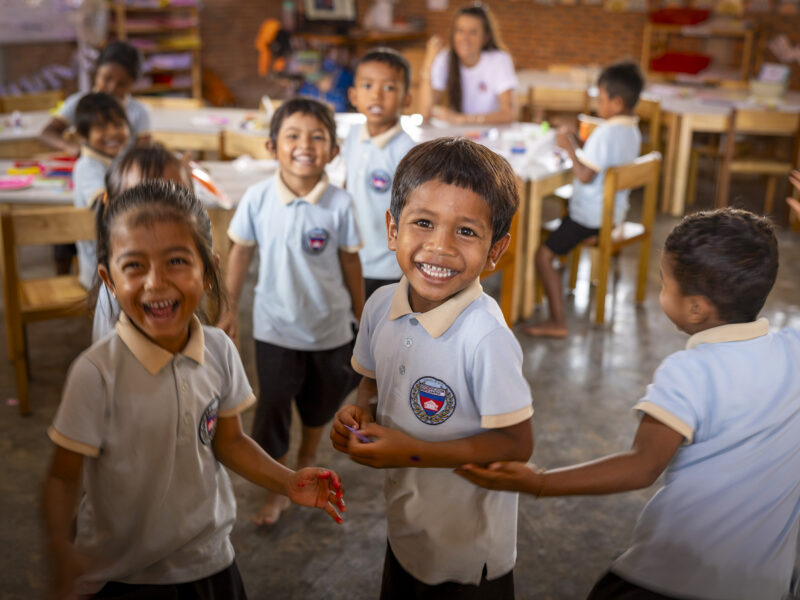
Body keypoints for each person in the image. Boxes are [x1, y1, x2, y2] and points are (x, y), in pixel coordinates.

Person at [458, 208, 800, 600]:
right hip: (767, 585)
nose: (661, 292)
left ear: (695, 308)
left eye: (663, 283)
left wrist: (540, 482)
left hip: (674, 577)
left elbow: (642, 465)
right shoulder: (794, 349)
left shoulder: (690, 371)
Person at [42, 180, 346, 599]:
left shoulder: (219, 350)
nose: (156, 282)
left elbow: (230, 441)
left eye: (177, 261)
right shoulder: (96, 373)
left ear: (208, 272)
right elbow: (62, 477)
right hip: (122, 574)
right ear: (108, 280)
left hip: (208, 562)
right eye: (134, 265)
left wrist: (287, 481)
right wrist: (61, 551)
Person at [331, 137, 534, 599]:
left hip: (469, 554)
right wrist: (357, 413)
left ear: (496, 249)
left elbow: (516, 444)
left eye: (466, 231)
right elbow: (371, 382)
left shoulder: (485, 338)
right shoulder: (381, 306)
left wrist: (409, 450)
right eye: (423, 223)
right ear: (391, 228)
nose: (439, 247)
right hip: (408, 529)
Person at [218, 97, 364, 526]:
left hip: (331, 328)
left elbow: (351, 261)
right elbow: (240, 250)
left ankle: (308, 458)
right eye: (293, 136)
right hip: (275, 328)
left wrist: (362, 313)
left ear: (333, 152)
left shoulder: (340, 203)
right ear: (271, 146)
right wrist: (230, 309)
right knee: (273, 408)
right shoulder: (258, 198)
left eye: (318, 137)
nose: (305, 145)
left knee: (321, 405)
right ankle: (280, 485)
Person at [525, 61, 643, 338]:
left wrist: (569, 147)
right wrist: (579, 144)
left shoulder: (605, 133)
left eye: (601, 99)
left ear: (616, 102)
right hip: (613, 213)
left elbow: (584, 175)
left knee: (543, 255)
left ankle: (557, 321)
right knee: (556, 235)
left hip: (590, 218)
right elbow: (598, 164)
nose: (597, 104)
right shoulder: (632, 131)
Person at [92, 143, 193, 343]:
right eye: (140, 203)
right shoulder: (119, 287)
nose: (158, 219)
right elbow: (112, 366)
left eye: (175, 200)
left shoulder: (191, 265)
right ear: (111, 209)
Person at [342, 47, 416, 299]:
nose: (376, 95)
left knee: (383, 328)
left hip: (387, 264)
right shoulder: (352, 137)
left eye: (389, 88)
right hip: (350, 253)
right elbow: (346, 184)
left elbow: (414, 209)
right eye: (367, 85)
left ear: (406, 99)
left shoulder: (407, 151)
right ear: (353, 95)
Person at [39, 41, 151, 155]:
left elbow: (143, 152)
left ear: (132, 84)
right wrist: (70, 146)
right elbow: (47, 133)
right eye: (106, 79)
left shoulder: (139, 112)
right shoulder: (79, 103)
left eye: (121, 84)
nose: (111, 88)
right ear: (97, 71)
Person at [419, 3, 517, 125]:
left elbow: (509, 114)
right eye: (460, 31)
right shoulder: (446, 58)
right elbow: (425, 112)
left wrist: (462, 119)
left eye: (473, 32)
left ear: (485, 37)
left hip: (491, 135)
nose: (464, 38)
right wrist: (429, 62)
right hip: (459, 136)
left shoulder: (498, 60)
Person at [72, 92, 131, 292]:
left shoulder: (119, 159)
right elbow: (105, 205)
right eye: (101, 127)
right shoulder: (87, 166)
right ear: (82, 135)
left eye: (118, 124)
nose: (112, 133)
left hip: (121, 262)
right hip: (101, 276)